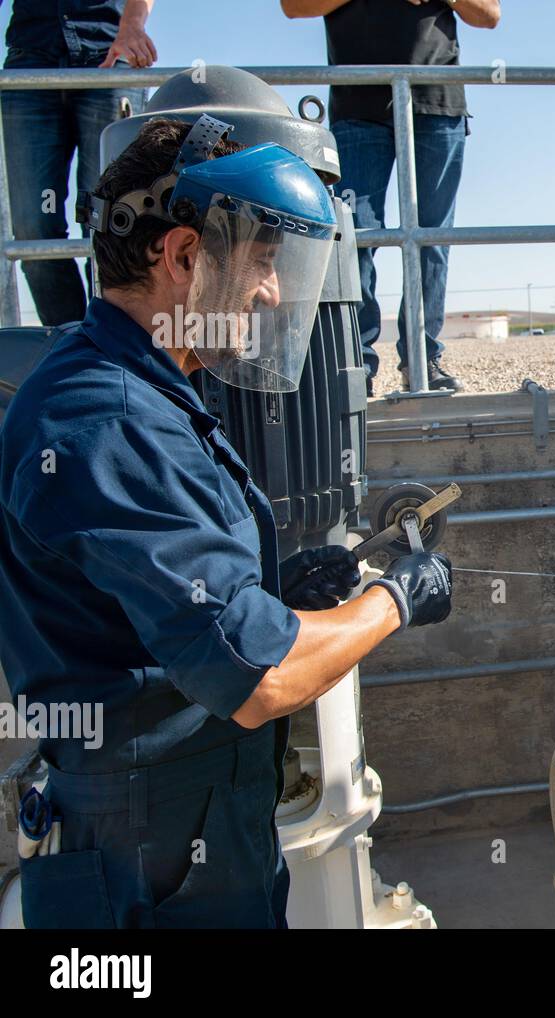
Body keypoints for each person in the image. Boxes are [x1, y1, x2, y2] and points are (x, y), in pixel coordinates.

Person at [0, 117, 454, 928]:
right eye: (265, 263)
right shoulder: (111, 420)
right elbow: (262, 678)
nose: (276, 293)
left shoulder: (146, 387)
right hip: (147, 857)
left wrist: (272, 592)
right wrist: (396, 599)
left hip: (186, 827)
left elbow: (142, 609)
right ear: (180, 256)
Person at [282, 0, 502, 395]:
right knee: (356, 238)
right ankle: (354, 365)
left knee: (431, 241)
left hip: (437, 105)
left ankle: (422, 359)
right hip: (358, 104)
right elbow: (293, 6)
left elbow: (488, 14)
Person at [2, 0, 156, 326]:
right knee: (34, 232)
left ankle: (113, 344)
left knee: (111, 224)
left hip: (109, 54)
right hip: (30, 60)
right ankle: (70, 342)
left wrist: (132, 25)